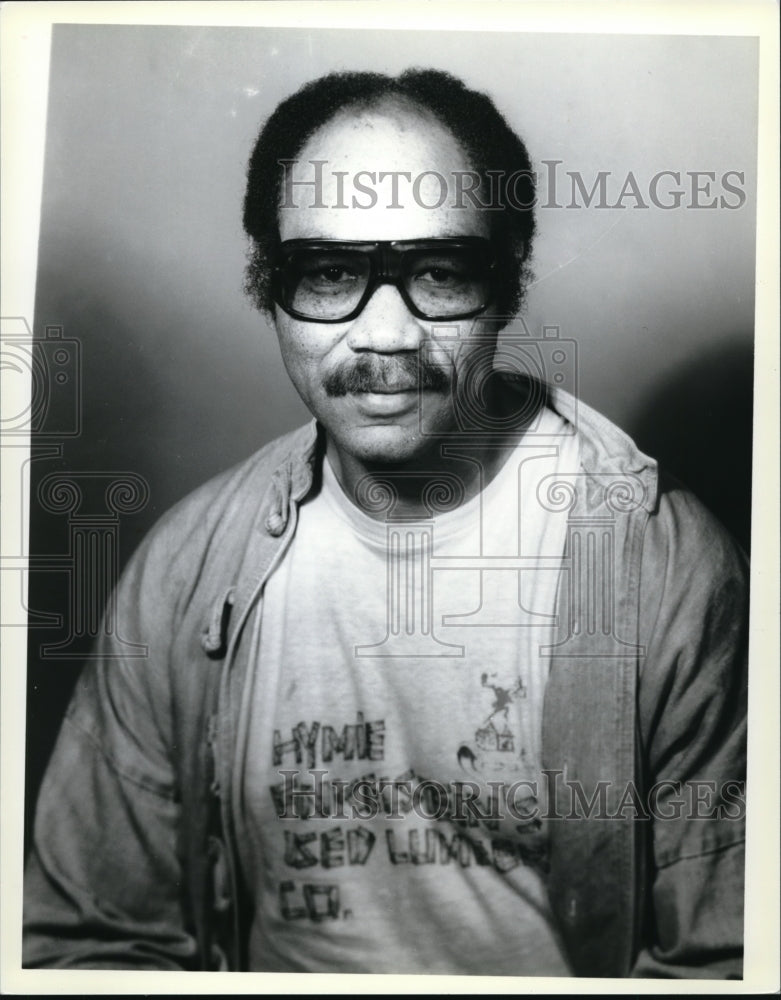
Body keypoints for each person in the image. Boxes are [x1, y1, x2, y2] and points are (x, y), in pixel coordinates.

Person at [23, 69, 747, 978]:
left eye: (439, 273)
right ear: (267, 286)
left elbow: (727, 966)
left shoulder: (662, 567)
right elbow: (85, 943)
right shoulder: (187, 570)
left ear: (509, 285)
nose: (385, 337)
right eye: (328, 274)